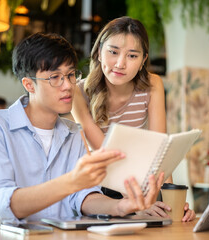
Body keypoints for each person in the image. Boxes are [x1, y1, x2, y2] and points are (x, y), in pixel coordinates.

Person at [0, 32, 164, 239]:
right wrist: (71, 181)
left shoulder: (73, 133)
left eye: (71, 75)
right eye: (55, 77)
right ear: (28, 84)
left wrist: (122, 206)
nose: (68, 85)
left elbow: (83, 197)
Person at [71, 16, 195, 221]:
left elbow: (160, 150)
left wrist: (171, 201)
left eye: (132, 56)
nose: (120, 64)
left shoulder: (152, 85)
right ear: (99, 52)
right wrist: (137, 202)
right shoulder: (80, 92)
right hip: (97, 187)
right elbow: (105, 153)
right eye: (113, 52)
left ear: (143, 60)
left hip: (136, 181)